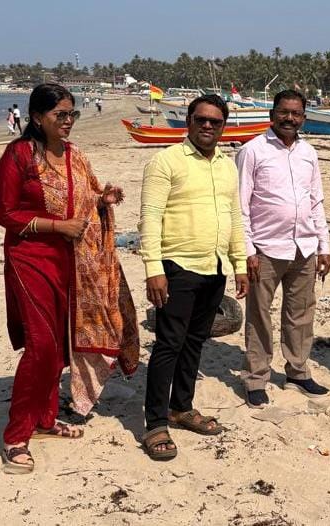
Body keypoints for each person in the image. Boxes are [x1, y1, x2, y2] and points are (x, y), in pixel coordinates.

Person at [0, 83, 140, 474]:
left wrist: (103, 199)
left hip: (71, 260)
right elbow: (6, 214)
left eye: (71, 114)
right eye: (60, 114)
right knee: (41, 345)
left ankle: (45, 420)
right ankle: (15, 436)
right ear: (37, 117)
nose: (68, 121)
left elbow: (84, 197)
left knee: (58, 345)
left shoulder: (74, 154)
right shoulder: (19, 155)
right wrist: (57, 226)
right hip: (29, 258)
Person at [139, 94, 249, 460]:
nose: (207, 126)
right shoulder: (165, 161)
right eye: (201, 119)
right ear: (188, 121)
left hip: (214, 267)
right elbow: (150, 217)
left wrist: (239, 263)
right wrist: (153, 269)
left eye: (215, 122)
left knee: (195, 342)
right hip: (177, 266)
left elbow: (234, 217)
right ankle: (156, 423)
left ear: (223, 127)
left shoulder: (227, 166)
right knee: (169, 344)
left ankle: (181, 408)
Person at [237, 89, 330, 409]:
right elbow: (241, 205)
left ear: (304, 118)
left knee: (301, 314)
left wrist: (323, 245)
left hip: (304, 247)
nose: (289, 118)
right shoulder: (252, 150)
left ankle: (298, 371)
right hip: (265, 248)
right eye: (283, 112)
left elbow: (316, 202)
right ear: (272, 114)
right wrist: (248, 250)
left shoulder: (308, 153)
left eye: (296, 113)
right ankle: (256, 378)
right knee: (259, 315)